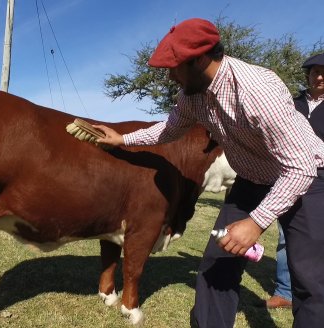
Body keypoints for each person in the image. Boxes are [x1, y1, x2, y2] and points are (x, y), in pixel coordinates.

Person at [94, 18, 324, 328]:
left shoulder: (257, 89)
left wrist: (256, 222)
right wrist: (123, 139)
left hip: (307, 179)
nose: (169, 75)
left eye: (174, 66)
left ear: (200, 59)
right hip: (252, 178)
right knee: (217, 267)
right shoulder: (192, 95)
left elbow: (300, 166)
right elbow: (170, 129)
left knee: (311, 280)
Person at [264, 53, 324, 309]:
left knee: (318, 239)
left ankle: (313, 290)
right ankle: (285, 291)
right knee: (286, 235)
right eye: (314, 72)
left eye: (323, 72)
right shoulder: (293, 103)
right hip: (290, 177)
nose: (319, 76)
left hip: (322, 180)